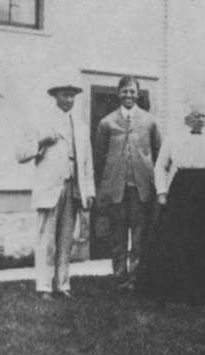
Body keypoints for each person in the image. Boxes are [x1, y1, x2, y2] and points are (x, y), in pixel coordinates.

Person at [15, 82, 95, 300]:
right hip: (49, 187)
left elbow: (87, 162)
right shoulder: (42, 122)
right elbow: (20, 154)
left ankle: (62, 284)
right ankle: (44, 286)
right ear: (55, 96)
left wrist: (89, 190)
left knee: (66, 239)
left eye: (72, 96)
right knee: (46, 240)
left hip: (73, 186)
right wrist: (42, 141)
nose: (69, 100)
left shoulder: (81, 126)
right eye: (65, 95)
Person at [140, 104, 205, 304]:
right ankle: (178, 288)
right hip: (182, 187)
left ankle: (202, 288)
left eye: (203, 116)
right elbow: (161, 165)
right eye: (196, 116)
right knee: (178, 237)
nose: (200, 120)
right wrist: (162, 192)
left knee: (203, 237)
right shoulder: (174, 137)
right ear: (187, 119)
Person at [95, 76, 162, 291]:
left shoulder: (150, 122)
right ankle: (119, 276)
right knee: (117, 234)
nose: (128, 95)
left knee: (140, 234)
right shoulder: (107, 122)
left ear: (137, 94)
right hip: (116, 189)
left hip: (141, 188)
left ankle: (136, 277)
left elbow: (159, 155)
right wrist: (103, 187)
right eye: (124, 91)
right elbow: (99, 158)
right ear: (118, 93)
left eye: (132, 91)